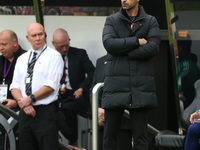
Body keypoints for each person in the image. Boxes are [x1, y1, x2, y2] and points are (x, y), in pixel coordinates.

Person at [101, 0, 161, 149]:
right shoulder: (112, 20)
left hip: (139, 86)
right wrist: (136, 41)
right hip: (115, 86)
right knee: (110, 137)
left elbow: (153, 48)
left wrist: (122, 51)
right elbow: (109, 44)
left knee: (141, 137)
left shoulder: (150, 21)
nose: (123, 0)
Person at [10, 22, 64, 150]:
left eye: (40, 34)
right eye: (34, 35)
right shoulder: (22, 58)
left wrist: (30, 99)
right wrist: (24, 103)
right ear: (28, 38)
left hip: (45, 112)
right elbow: (14, 86)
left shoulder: (54, 56)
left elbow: (51, 85)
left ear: (45, 35)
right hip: (25, 112)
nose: (38, 38)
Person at [52, 28, 95, 146]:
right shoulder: (50, 58)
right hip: (57, 95)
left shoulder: (79, 54)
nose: (65, 49)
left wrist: (82, 88)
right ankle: (70, 139)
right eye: (61, 47)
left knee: (67, 108)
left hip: (76, 94)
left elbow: (92, 73)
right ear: (53, 44)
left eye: (67, 45)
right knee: (52, 111)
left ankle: (72, 139)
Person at [91, 54, 133, 150]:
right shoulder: (100, 61)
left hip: (123, 121)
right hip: (102, 121)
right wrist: (97, 109)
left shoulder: (130, 59)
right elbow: (93, 89)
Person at [0, 29, 26, 110]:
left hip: (20, 107)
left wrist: (16, 102)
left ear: (15, 43)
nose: (1, 48)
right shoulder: (1, 60)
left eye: (4, 44)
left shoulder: (25, 59)